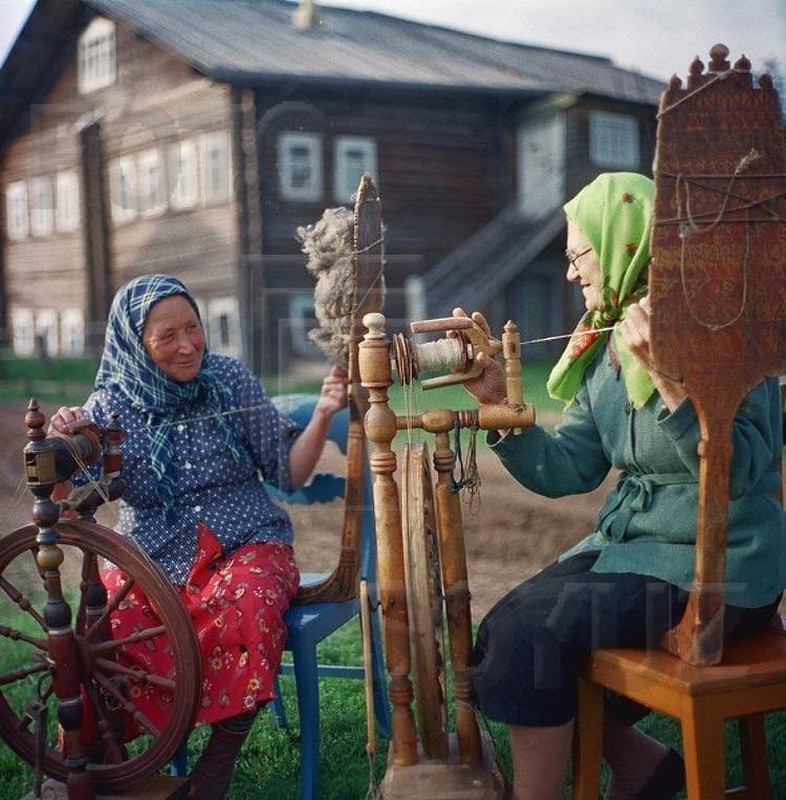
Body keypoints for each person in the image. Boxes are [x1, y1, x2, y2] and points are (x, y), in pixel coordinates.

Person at [457, 172, 784, 799]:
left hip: (722, 566)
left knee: (535, 633)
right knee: (504, 627)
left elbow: (739, 471)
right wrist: (498, 403)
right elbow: (570, 469)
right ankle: (645, 769)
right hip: (636, 550)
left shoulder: (722, 327)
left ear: (624, 243)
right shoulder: (606, 346)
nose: (573, 274)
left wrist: (672, 377)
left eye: (579, 255)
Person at [49, 274, 348, 799]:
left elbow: (287, 474)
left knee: (250, 601)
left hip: (248, 543)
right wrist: (60, 442)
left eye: (194, 328)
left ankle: (214, 769)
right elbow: (62, 509)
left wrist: (322, 413)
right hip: (154, 557)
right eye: (168, 336)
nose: (188, 345)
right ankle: (111, 762)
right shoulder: (109, 409)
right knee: (107, 630)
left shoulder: (229, 379)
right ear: (134, 343)